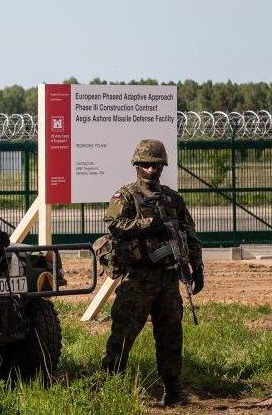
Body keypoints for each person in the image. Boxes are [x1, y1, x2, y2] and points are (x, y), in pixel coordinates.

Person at [100, 139, 204, 407]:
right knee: (122, 336)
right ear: (137, 165)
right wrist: (147, 224)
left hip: (168, 278)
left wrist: (197, 266)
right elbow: (113, 225)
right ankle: (110, 387)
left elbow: (189, 233)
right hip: (138, 279)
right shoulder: (126, 196)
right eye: (146, 164)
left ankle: (173, 389)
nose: (151, 170)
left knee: (170, 336)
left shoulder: (172, 198)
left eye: (156, 165)